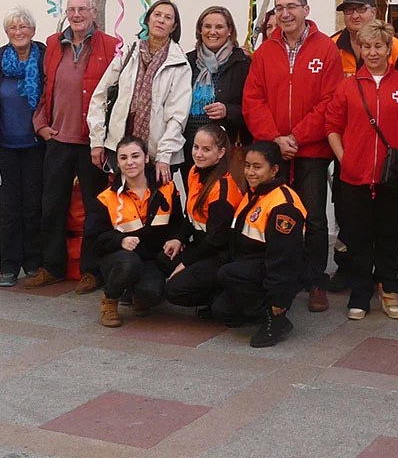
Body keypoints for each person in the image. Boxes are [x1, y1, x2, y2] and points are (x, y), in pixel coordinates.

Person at [243, 0, 342, 312]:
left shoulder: (326, 48)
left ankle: (315, 282)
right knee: (274, 217)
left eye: (292, 7)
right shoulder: (265, 51)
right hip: (274, 152)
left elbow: (330, 100)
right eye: (280, 7)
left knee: (313, 219)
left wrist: (296, 137)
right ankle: (276, 277)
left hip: (311, 150)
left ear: (306, 9)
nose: (286, 13)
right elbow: (253, 100)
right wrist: (275, 138)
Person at [325, 20, 398, 320]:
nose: (372, 52)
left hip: (390, 178)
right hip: (354, 177)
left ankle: (390, 289)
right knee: (357, 235)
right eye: (366, 46)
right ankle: (360, 291)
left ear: (388, 49)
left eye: (378, 46)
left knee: (389, 234)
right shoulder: (348, 86)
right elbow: (332, 127)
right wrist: (345, 157)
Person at [26, 0, 117, 291]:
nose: (77, 14)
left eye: (82, 9)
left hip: (93, 142)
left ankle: (91, 270)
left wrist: (105, 140)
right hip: (58, 139)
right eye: (72, 10)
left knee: (95, 207)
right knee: (51, 205)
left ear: (93, 13)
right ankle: (51, 266)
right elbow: (45, 89)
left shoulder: (111, 46)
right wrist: (40, 124)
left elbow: (116, 96)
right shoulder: (53, 45)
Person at [87, 0, 192, 186]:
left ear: (174, 26)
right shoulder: (129, 52)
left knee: (154, 209)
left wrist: (164, 155)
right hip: (120, 148)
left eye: (167, 18)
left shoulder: (180, 63)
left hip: (156, 154)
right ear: (148, 20)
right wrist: (96, 140)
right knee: (122, 207)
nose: (161, 20)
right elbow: (100, 96)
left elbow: (178, 116)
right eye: (157, 15)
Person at [215, 141, 308, 347]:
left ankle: (275, 320)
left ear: (274, 170)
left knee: (227, 274)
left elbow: (284, 259)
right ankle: (255, 308)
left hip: (272, 271)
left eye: (257, 167)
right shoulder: (255, 193)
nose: (250, 172)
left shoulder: (283, 205)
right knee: (221, 311)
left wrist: (278, 300)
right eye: (247, 165)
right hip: (253, 264)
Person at [0, 7, 46, 287]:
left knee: (33, 206)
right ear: (6, 33)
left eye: (23, 27)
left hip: (36, 145)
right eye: (12, 28)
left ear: (33, 31)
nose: (18, 32)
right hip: (5, 146)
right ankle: (8, 265)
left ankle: (33, 261)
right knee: (8, 208)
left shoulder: (45, 57)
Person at [93, 135, 182, 328]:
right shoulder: (106, 197)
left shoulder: (167, 188)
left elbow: (179, 224)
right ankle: (110, 300)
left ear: (146, 158)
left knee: (151, 295)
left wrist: (176, 239)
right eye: (124, 158)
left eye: (135, 156)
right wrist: (119, 241)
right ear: (118, 162)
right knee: (128, 262)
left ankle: (135, 292)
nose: (130, 162)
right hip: (118, 259)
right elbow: (95, 241)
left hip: (151, 259)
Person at [165, 124, 244, 313]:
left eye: (206, 149)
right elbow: (191, 216)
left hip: (221, 255)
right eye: (196, 147)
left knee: (173, 290)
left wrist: (185, 263)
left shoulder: (222, 192)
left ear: (220, 153)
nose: (198, 154)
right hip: (204, 246)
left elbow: (215, 241)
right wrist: (178, 238)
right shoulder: (194, 172)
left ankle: (222, 295)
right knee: (163, 259)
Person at [183, 6, 250, 181]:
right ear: (200, 30)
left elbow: (253, 107)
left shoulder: (242, 63)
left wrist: (228, 110)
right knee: (195, 201)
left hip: (225, 150)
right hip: (191, 148)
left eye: (219, 27)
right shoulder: (187, 62)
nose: (212, 32)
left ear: (229, 31)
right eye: (207, 26)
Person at [331, 0, 398, 80]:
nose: (355, 16)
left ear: (373, 13)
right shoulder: (332, 45)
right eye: (349, 10)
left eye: (361, 9)